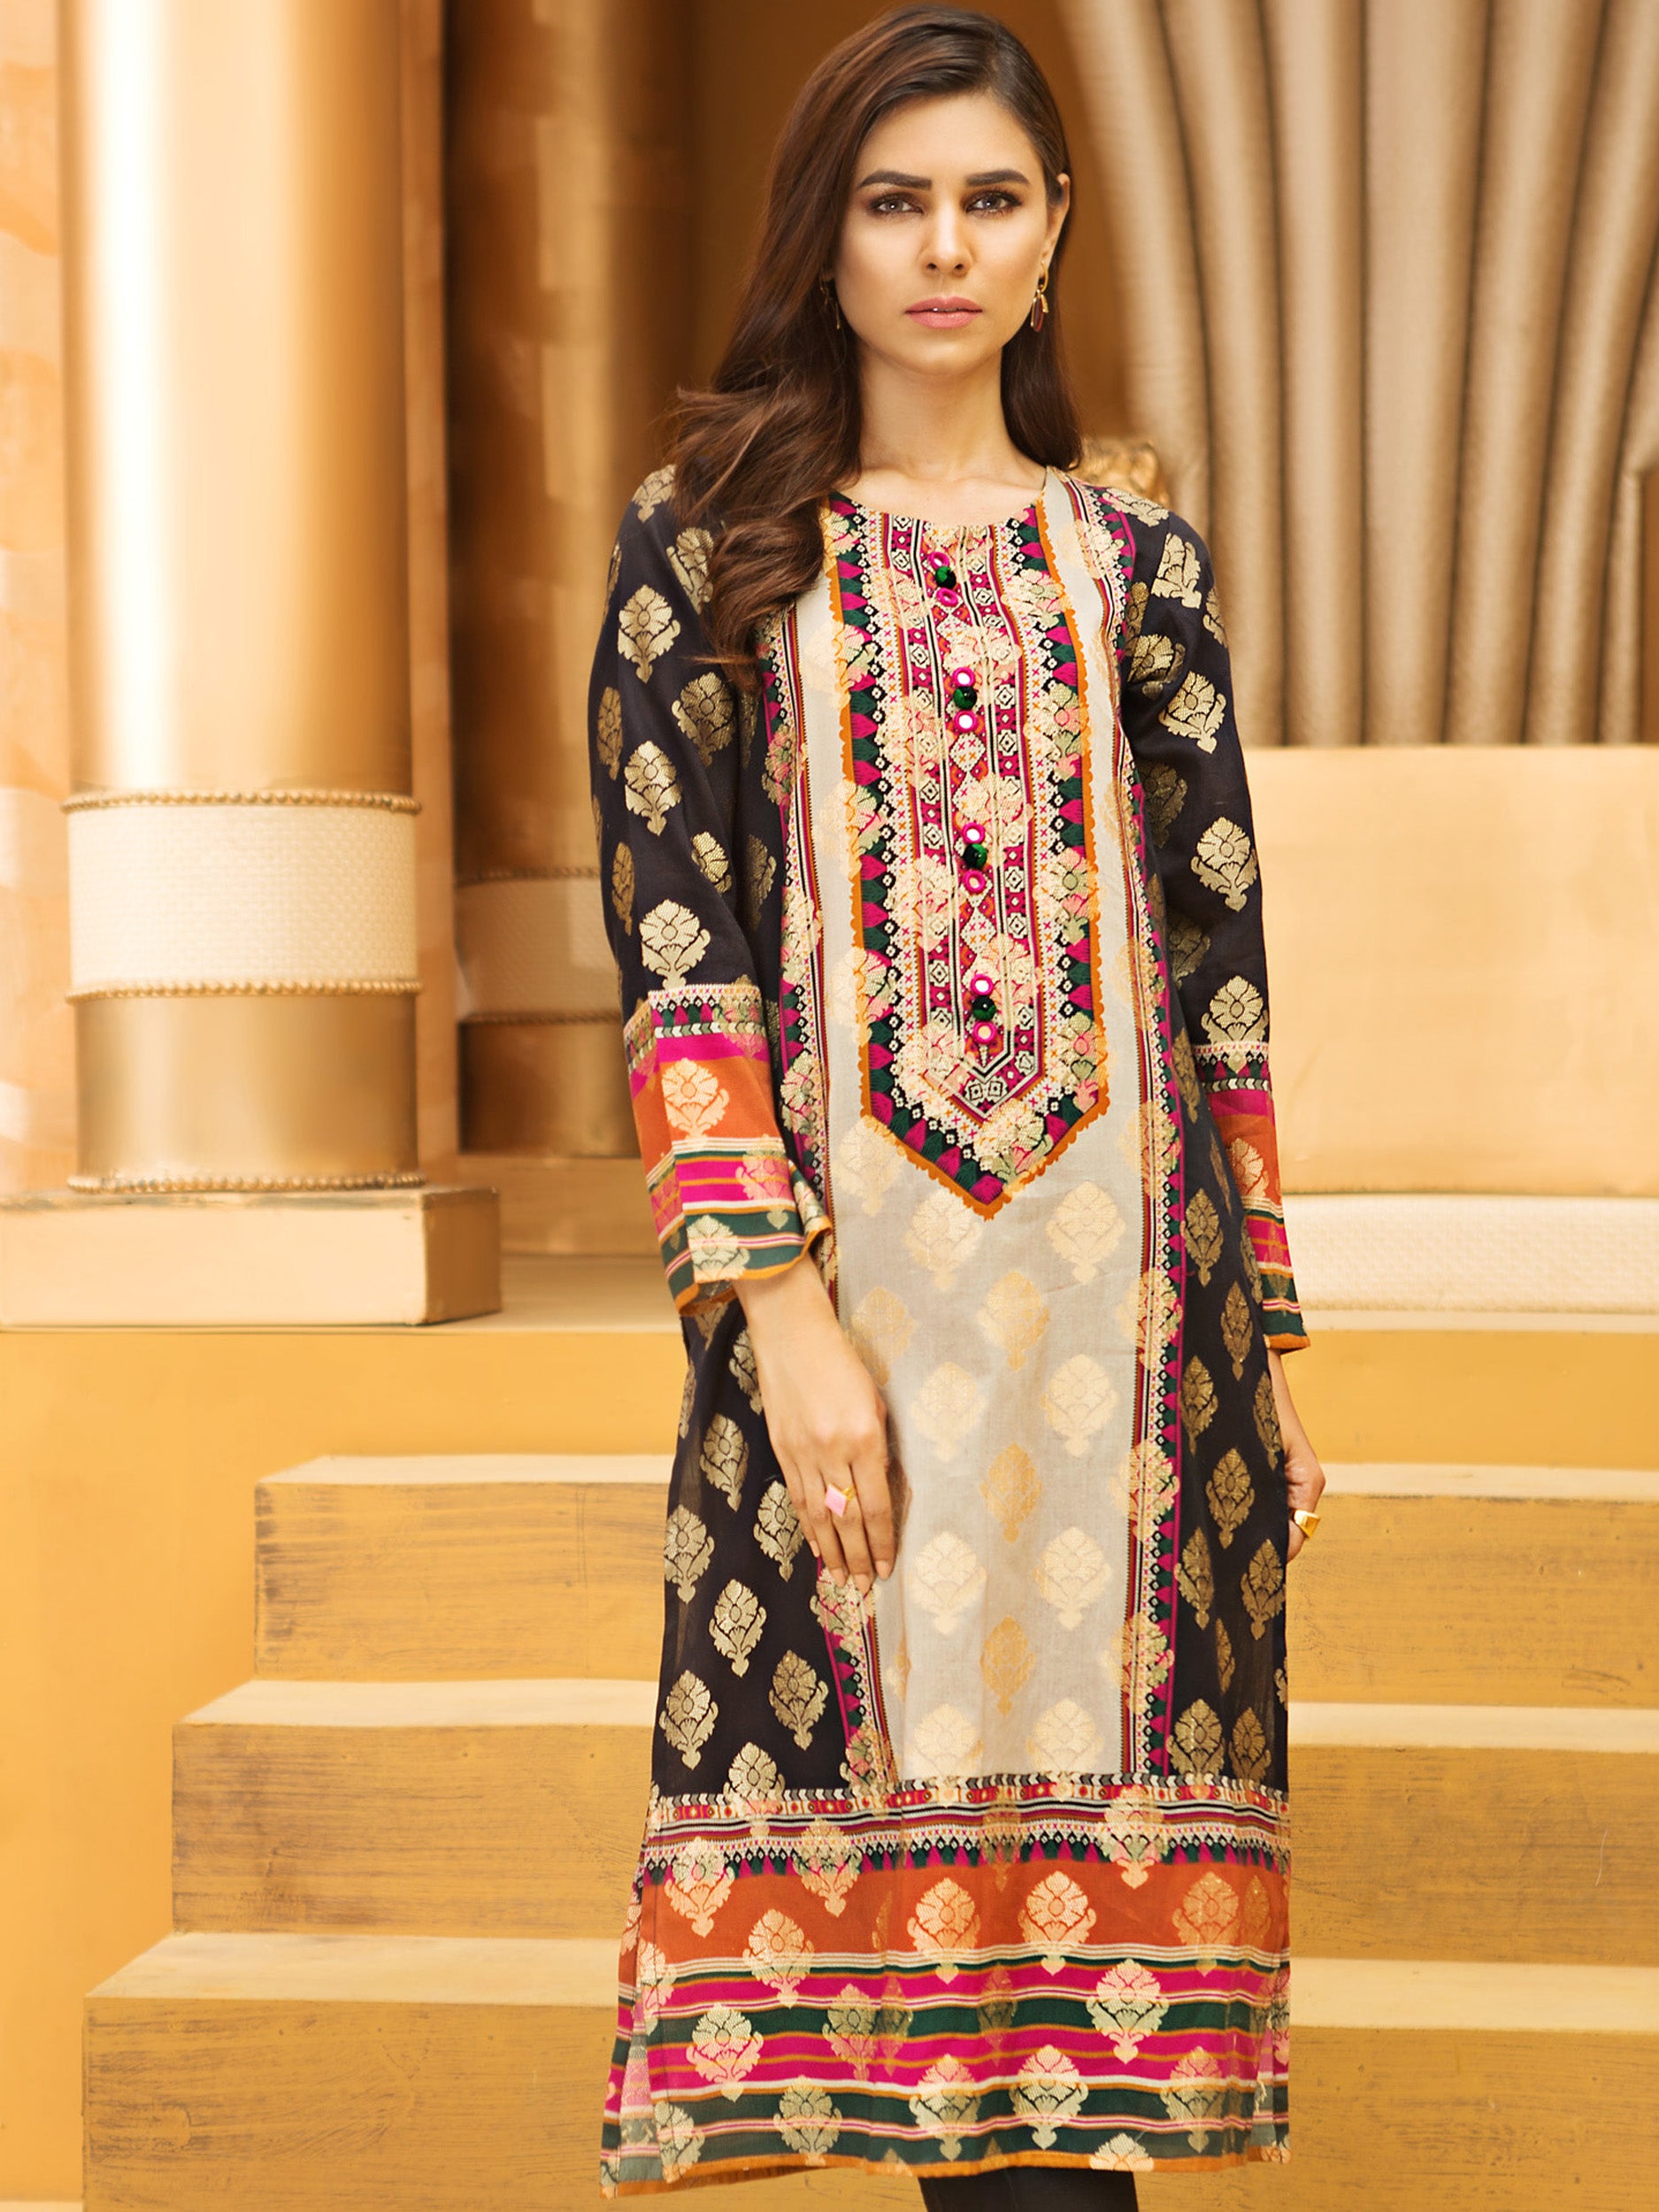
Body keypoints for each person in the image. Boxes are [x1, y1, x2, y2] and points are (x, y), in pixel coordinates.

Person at [587, 8, 1326, 2200]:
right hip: (851, 1331)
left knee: (1080, 2074)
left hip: (1133, 1347)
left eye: (987, 200)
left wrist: (1273, 1350)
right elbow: (678, 950)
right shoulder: (709, 544)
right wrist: (776, 1312)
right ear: (822, 238)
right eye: (892, 201)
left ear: (1052, 230)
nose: (940, 247)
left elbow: (1216, 979)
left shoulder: (1134, 562)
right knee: (926, 2010)